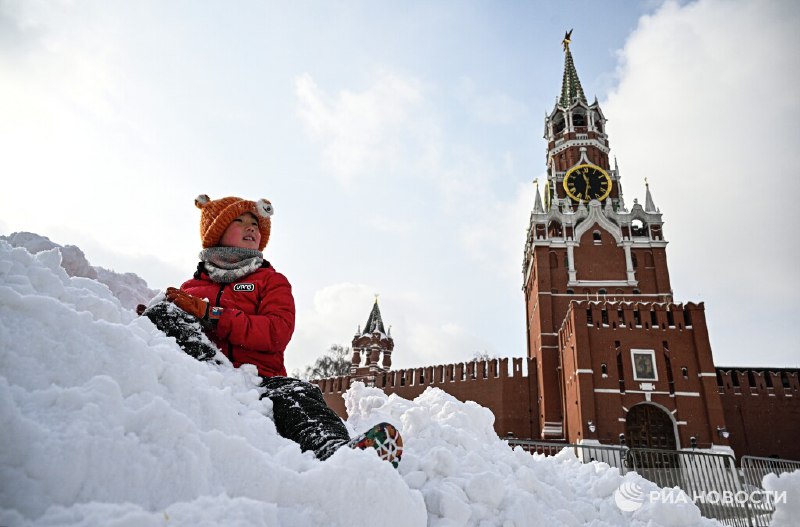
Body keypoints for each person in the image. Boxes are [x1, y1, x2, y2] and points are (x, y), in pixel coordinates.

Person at [144, 194, 402, 467]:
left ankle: (341, 456)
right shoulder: (189, 288)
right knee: (162, 311)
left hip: (261, 381)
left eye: (255, 222)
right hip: (207, 377)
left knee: (298, 396)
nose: (251, 227)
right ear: (216, 232)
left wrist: (213, 314)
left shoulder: (270, 280)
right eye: (239, 221)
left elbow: (276, 331)